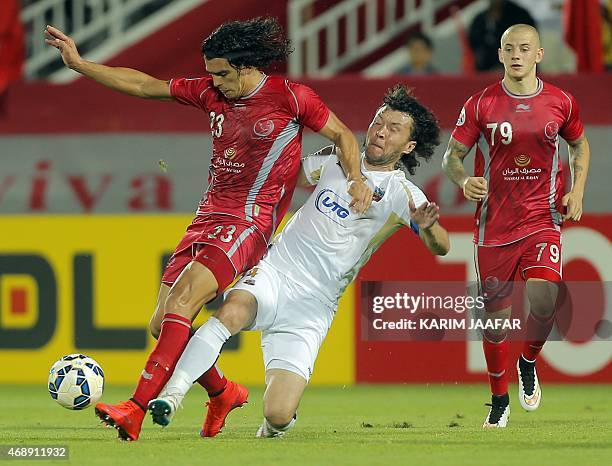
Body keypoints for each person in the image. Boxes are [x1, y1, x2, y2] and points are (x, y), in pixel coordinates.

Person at [45, 17, 373, 441]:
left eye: (221, 73)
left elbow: (344, 135)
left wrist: (356, 180)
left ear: (248, 67)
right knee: (162, 323)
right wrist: (81, 65)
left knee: (185, 299)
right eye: (211, 73)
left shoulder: (291, 98)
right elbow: (146, 85)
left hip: (249, 223)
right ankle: (223, 392)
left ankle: (136, 407)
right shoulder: (211, 92)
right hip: (206, 218)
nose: (214, 82)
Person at [146, 84, 450, 438]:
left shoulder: (402, 193)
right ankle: (172, 395)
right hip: (275, 270)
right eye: (379, 121)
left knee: (277, 413)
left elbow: (441, 245)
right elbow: (281, 176)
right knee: (230, 312)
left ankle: (274, 426)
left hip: (314, 305)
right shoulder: (335, 160)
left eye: (393, 128)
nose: (381, 131)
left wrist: (428, 228)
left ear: (409, 146)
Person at [442, 24, 590, 428]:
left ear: (539, 54)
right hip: (494, 227)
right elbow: (452, 156)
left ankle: (527, 362)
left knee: (545, 297)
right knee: (495, 320)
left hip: (543, 218)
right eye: (510, 49)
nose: (517, 55)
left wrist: (576, 192)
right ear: (502, 55)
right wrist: (462, 179)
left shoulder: (560, 101)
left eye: (525, 49)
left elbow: (579, 144)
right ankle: (498, 398)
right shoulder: (481, 104)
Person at [468, 0, 536, 71]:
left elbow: (530, 47)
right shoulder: (480, 20)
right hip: (485, 74)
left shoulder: (521, 17)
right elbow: (475, 50)